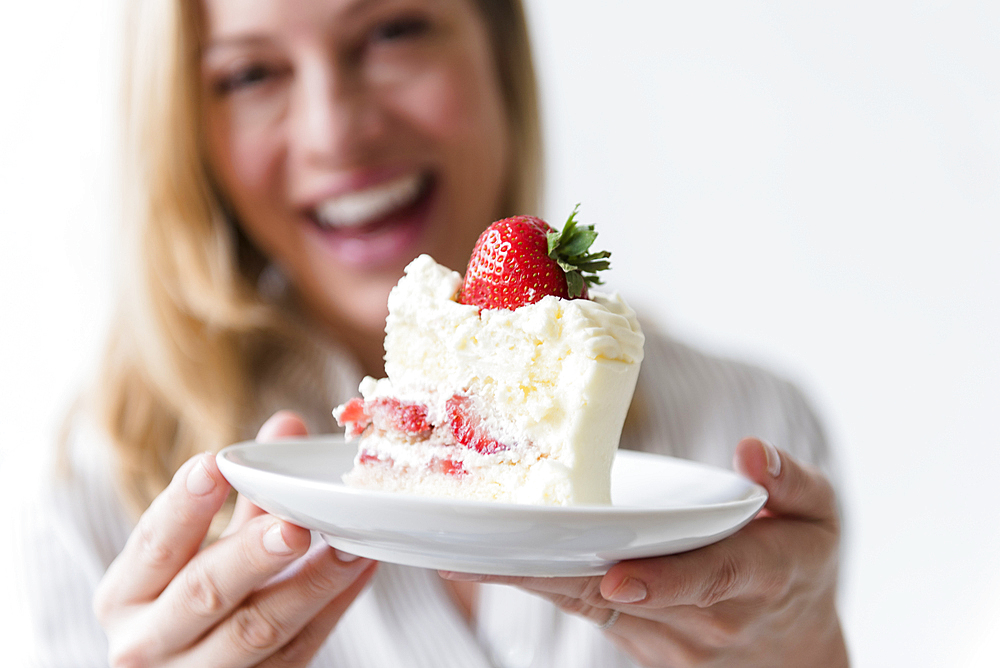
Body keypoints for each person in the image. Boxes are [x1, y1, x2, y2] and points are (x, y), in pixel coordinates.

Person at [14, 0, 849, 665]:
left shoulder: (743, 431)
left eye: (392, 30)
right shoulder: (96, 484)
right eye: (250, 73)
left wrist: (810, 661)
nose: (335, 131)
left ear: (498, 52)